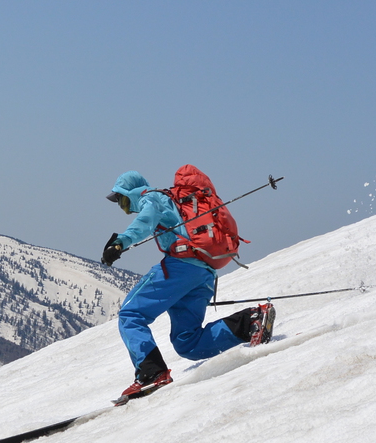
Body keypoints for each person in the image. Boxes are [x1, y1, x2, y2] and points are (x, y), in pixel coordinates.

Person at [102, 170, 275, 399]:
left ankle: (151, 373)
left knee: (130, 314)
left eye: (122, 200)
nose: (122, 206)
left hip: (180, 267)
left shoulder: (151, 197)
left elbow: (145, 221)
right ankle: (249, 322)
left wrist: (119, 243)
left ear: (130, 193)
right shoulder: (171, 200)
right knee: (188, 343)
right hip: (203, 272)